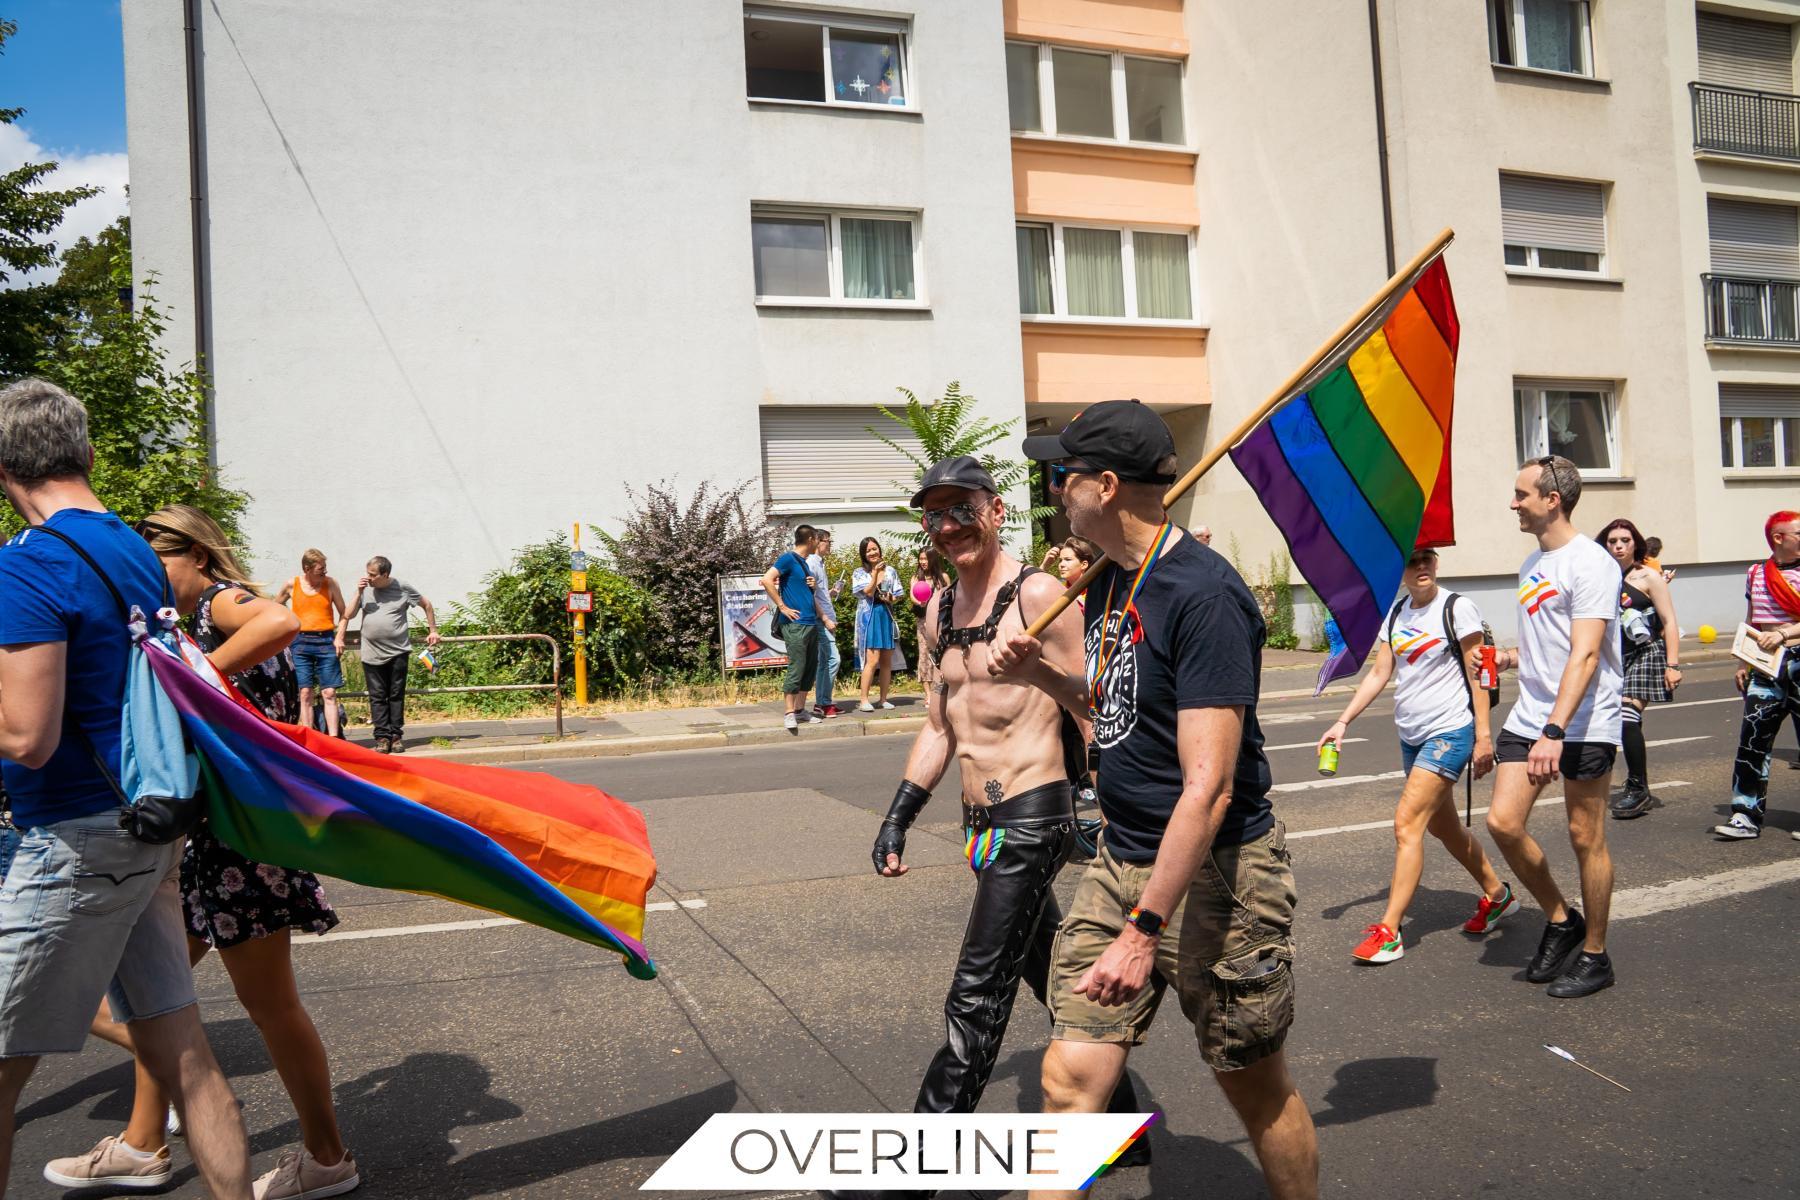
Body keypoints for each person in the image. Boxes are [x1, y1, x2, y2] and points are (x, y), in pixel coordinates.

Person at [1009, 400, 1318, 1200]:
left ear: (1106, 486)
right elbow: (1117, 706)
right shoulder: (1111, 580)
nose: (1055, 488)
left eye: (1064, 473)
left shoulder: (1203, 596)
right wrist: (1043, 674)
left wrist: (1142, 932)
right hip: (1121, 858)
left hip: (1217, 876)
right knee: (1068, 1080)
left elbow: (1209, 788)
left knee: (1254, 1086)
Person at [826, 457, 1140, 1200]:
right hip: (979, 827)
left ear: (996, 511)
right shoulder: (939, 609)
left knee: (975, 998)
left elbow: (1098, 706)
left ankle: (909, 1178)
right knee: (1048, 971)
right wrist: (899, 816)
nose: (948, 527)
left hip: (1034, 817)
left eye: (961, 509)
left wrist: (1110, 810)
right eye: (933, 515)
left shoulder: (1039, 596)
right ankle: (1119, 1124)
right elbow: (941, 724)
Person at [47, 506, 358, 1199]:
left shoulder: (222, 602)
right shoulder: (188, 620)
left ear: (195, 554)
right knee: (153, 998)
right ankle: (143, 1142)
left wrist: (190, 681)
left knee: (265, 1006)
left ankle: (327, 1157)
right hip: (215, 844)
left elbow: (280, 619)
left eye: (158, 564)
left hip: (238, 848)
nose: (151, 580)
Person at [0, 378, 253, 1199]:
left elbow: (27, 737)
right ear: (87, 451)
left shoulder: (30, 564)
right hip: (148, 820)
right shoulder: (132, 548)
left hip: (74, 840)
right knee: (186, 1054)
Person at [1317, 547, 1513, 964]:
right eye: (1413, 560)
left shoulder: (1457, 609)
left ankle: (1390, 932)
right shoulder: (1396, 614)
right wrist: (1342, 722)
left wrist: (1483, 737)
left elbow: (1480, 674)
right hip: (1411, 735)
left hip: (1449, 731)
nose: (1421, 566)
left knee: (1406, 824)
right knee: (1444, 827)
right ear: (1401, 569)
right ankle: (1498, 895)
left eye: (1428, 558)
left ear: (1436, 563)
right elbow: (1379, 673)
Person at [1483, 456, 1622, 999]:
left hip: (1583, 721)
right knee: (1502, 822)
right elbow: (1552, 645)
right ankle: (1562, 919)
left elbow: (1586, 655)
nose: (1513, 503)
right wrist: (1509, 658)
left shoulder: (1592, 564)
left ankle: (1596, 955)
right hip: (1532, 713)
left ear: (1552, 500)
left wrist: (1555, 731)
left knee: (1585, 836)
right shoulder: (1531, 564)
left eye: (1521, 494)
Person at [1715, 510, 1800, 840]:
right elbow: (1752, 619)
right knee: (1753, 739)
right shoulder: (1757, 573)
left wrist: (1784, 633)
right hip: (1766, 666)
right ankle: (1745, 815)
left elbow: (1778, 630)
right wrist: (1743, 663)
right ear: (1779, 538)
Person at [1597, 518, 1682, 819]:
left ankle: (1638, 788)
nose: (1618, 546)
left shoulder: (1648, 576)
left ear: (1636, 544)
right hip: (1613, 656)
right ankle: (1599, 779)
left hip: (1646, 653)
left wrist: (1673, 664)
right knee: (1609, 720)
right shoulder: (1600, 576)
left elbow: (1669, 621)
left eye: (1625, 540)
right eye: (1612, 541)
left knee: (1626, 715)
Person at [342, 557, 438, 754]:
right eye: (367, 573)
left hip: (398, 651)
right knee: (377, 697)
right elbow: (348, 615)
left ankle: (395, 736)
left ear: (385, 574)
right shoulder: (365, 590)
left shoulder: (402, 587)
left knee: (395, 695)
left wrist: (433, 630)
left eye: (372, 575)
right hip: (371, 653)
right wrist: (358, 592)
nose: (368, 578)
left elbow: (427, 605)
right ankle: (382, 737)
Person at [275, 549, 350, 736]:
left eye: (325, 567)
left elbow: (344, 613)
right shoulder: (292, 584)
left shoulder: (330, 584)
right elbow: (275, 608)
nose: (325, 571)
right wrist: (284, 631)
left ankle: (333, 739)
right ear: (307, 569)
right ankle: (309, 739)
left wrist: (340, 636)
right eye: (320, 569)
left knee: (329, 692)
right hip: (300, 641)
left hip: (326, 640)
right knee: (305, 692)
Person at [762, 526, 822, 733]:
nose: (819, 544)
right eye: (818, 539)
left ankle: (800, 710)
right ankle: (789, 713)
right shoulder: (788, 558)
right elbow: (767, 579)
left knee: (809, 667)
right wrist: (782, 606)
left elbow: (801, 590)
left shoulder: (803, 563)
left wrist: (813, 586)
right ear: (811, 539)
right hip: (795, 624)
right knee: (797, 665)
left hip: (810, 622)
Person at [853, 537, 903, 711]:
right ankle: (864, 700)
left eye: (875, 549)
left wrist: (891, 598)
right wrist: (874, 574)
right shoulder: (859, 572)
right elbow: (867, 592)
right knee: (872, 660)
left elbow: (899, 594)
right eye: (868, 551)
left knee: (886, 661)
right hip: (869, 617)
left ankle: (883, 699)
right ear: (863, 554)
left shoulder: (890, 571)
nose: (873, 552)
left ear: (880, 549)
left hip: (886, 615)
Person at [807, 530, 842, 719]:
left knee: (824, 662)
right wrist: (825, 619)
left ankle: (821, 702)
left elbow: (818, 593)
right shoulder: (812, 563)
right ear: (817, 542)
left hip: (825, 617)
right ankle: (824, 703)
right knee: (833, 659)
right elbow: (809, 596)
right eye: (828, 541)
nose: (830, 544)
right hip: (821, 620)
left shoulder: (819, 563)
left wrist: (831, 592)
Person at [909, 547, 949, 696]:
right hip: (923, 620)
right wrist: (920, 602)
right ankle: (928, 694)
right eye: (921, 559)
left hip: (940, 621)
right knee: (924, 654)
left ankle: (941, 689)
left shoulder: (943, 577)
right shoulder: (916, 578)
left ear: (933, 559)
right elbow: (912, 595)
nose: (923, 562)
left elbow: (949, 597)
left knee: (942, 653)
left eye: (925, 558)